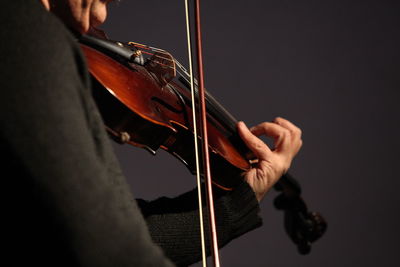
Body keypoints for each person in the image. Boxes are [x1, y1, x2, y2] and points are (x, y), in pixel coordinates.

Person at [0, 1, 302, 266]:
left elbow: (114, 235)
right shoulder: (23, 35)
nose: (102, 16)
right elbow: (108, 251)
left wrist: (243, 197)